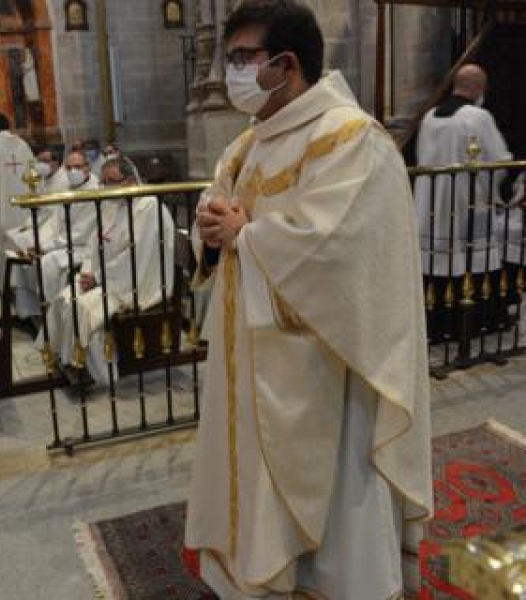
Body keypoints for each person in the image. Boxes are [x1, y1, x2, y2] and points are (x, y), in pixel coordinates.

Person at [185, 2, 432, 599]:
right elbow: (221, 219)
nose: (233, 72)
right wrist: (212, 233)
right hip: (250, 352)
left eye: (244, 59)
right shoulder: (245, 147)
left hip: (323, 358)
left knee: (337, 485)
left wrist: (250, 233)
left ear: (286, 64)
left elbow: (346, 248)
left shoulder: (352, 139)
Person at [43, 157, 174, 384]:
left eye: (112, 181)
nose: (106, 188)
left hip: (136, 281)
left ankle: (94, 372)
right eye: (104, 182)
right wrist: (87, 272)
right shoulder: (114, 204)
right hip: (106, 278)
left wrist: (98, 278)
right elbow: (95, 243)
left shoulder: (149, 207)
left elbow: (136, 256)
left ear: (131, 181)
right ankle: (67, 358)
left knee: (83, 309)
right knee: (63, 299)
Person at [415, 64, 512, 340]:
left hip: (430, 205)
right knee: (468, 257)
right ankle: (473, 324)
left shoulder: (430, 116)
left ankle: (434, 323)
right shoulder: (478, 117)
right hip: (464, 204)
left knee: (436, 260)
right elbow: (499, 161)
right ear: (478, 88)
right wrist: (493, 190)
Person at [14, 149, 100, 318]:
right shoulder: (68, 187)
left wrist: (45, 248)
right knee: (24, 250)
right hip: (64, 243)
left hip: (82, 247)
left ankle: (54, 313)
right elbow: (55, 222)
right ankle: (30, 311)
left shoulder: (94, 191)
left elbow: (79, 234)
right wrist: (38, 242)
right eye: (68, 168)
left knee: (47, 262)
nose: (72, 171)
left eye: (77, 166)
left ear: (87, 168)